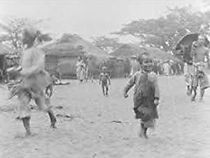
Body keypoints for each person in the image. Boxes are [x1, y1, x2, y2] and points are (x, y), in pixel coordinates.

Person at [10, 27, 57, 136]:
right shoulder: (25, 52)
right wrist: (17, 71)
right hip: (25, 83)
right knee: (23, 104)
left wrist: (22, 72)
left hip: (36, 83)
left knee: (42, 105)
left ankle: (52, 116)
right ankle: (28, 131)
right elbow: (22, 66)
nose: (22, 38)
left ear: (30, 38)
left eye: (24, 36)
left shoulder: (37, 52)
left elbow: (38, 67)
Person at [124, 53, 160, 139]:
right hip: (139, 99)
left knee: (148, 116)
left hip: (150, 100)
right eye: (146, 62)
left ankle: (143, 131)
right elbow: (130, 83)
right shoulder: (137, 75)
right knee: (143, 115)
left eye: (151, 62)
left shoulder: (153, 75)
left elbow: (156, 88)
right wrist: (125, 91)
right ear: (141, 64)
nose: (149, 64)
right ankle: (143, 130)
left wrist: (156, 98)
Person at [190, 35, 210, 101]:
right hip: (195, 67)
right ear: (198, 40)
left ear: (204, 41)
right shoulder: (195, 48)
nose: (201, 41)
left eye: (202, 39)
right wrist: (195, 63)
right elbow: (192, 56)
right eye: (200, 39)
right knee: (194, 85)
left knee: (203, 84)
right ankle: (194, 94)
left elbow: (207, 59)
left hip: (202, 67)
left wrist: (205, 64)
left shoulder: (206, 49)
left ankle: (201, 98)